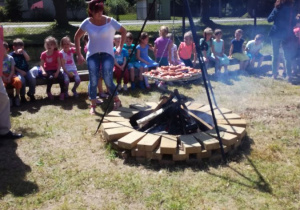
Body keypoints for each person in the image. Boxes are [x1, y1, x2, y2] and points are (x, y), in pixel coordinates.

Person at [74, 0, 126, 114]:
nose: (99, 13)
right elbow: (77, 37)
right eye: (97, 11)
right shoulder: (87, 22)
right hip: (92, 54)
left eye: (101, 10)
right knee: (93, 79)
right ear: (91, 11)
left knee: (107, 77)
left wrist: (119, 48)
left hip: (107, 54)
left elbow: (124, 31)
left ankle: (116, 100)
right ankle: (92, 104)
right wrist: (79, 54)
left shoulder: (110, 21)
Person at [0, 25, 23, 140]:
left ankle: (4, 131)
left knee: (3, 99)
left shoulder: (9, 58)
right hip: (2, 76)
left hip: (3, 75)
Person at [268, 0, 297, 80]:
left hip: (276, 33)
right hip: (287, 34)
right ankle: (289, 75)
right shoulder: (291, 9)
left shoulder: (277, 8)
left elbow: (269, 19)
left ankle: (274, 74)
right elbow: (294, 22)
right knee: (287, 56)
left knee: (275, 54)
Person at [82, 33, 108, 101]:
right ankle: (92, 95)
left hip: (99, 66)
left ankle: (101, 92)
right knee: (93, 81)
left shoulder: (93, 45)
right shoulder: (89, 46)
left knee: (98, 79)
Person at [40, 36, 65, 100]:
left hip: (56, 69)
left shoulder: (57, 53)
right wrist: (43, 71)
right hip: (48, 70)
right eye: (47, 44)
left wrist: (57, 72)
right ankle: (48, 92)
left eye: (51, 44)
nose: (49, 46)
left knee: (61, 78)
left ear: (54, 46)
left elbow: (59, 64)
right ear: (45, 45)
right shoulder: (43, 54)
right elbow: (41, 65)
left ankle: (62, 92)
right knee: (50, 78)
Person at [1, 41, 22, 107]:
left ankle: (17, 96)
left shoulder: (10, 58)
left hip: (11, 75)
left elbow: (13, 69)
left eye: (2, 49)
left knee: (18, 81)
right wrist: (3, 77)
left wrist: (10, 77)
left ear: (7, 49)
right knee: (2, 85)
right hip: (2, 76)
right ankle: (8, 98)